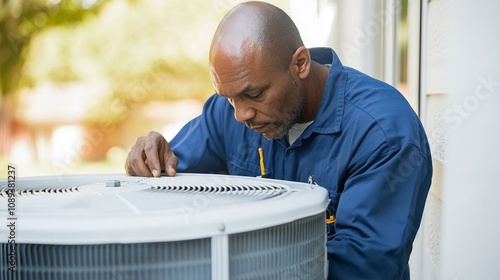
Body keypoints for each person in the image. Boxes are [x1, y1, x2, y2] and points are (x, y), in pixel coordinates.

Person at [125, 1, 433, 279]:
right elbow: (169, 182)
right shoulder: (229, 111)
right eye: (230, 98)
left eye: (255, 94)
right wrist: (150, 160)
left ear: (300, 63)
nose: (240, 115)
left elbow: (361, 268)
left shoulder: (383, 134)